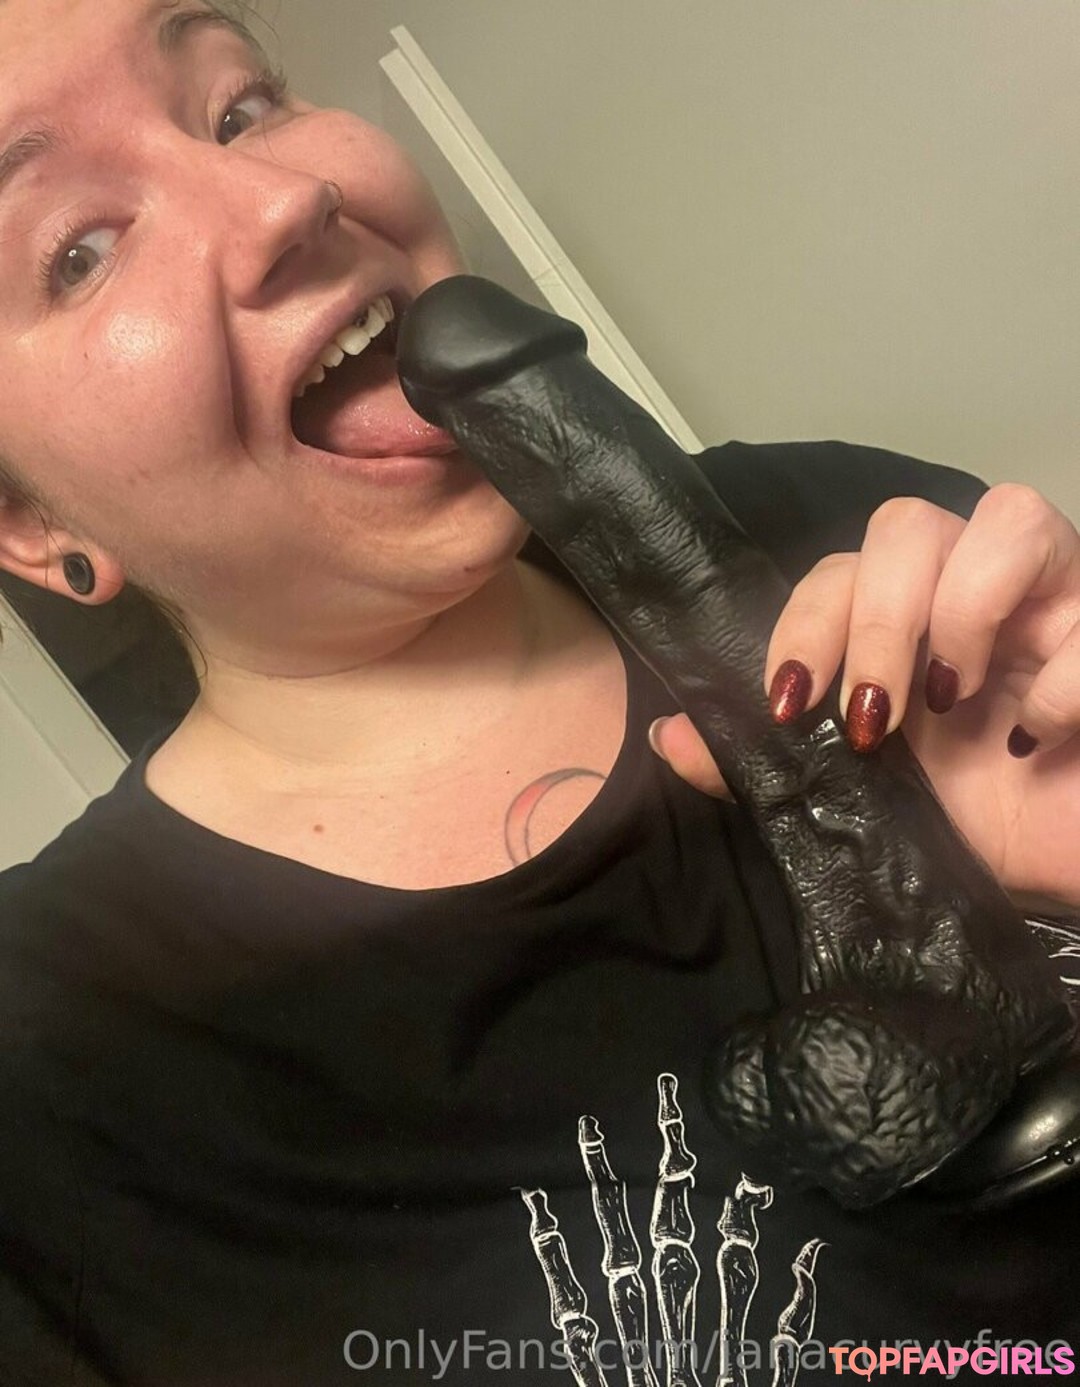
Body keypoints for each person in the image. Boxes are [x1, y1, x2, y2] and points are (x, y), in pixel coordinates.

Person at [0, 2, 1078, 1384]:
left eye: (241, 105)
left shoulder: (853, 541)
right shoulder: (47, 1093)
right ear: (30, 524)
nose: (282, 201)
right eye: (77, 251)